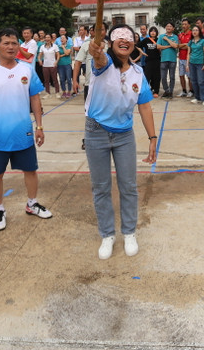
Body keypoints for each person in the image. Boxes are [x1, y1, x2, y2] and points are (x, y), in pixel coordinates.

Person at [83, 24, 158, 259]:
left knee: (129, 186)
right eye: (119, 38)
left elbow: (144, 106)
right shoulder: (103, 64)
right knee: (101, 187)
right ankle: (107, 234)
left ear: (134, 43)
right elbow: (98, 58)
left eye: (129, 37)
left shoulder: (137, 72)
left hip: (125, 135)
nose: (124, 41)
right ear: (112, 43)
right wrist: (96, 50)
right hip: (96, 132)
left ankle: (129, 232)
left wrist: (152, 138)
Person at [0, 28, 52, 231]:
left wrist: (39, 126)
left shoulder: (27, 70)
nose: (10, 46)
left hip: (23, 132)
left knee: (31, 170)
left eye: (14, 43)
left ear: (19, 46)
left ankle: (32, 204)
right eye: (6, 43)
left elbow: (35, 98)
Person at [187, 25, 204, 106]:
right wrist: (187, 64)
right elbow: (188, 54)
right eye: (193, 30)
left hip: (200, 64)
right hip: (192, 63)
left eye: (196, 30)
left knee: (201, 81)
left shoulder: (203, 41)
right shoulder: (190, 42)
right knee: (194, 81)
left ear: (199, 32)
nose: (194, 31)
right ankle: (197, 97)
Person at [156, 22, 179, 98]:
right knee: (163, 77)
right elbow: (158, 46)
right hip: (163, 59)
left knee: (172, 76)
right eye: (167, 26)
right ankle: (166, 90)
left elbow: (175, 46)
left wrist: (167, 39)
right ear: (165, 27)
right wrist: (170, 45)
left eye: (170, 26)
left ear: (173, 28)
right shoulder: (161, 36)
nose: (168, 27)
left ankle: (171, 91)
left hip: (172, 59)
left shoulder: (175, 37)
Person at [138, 27, 160, 98]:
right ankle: (146, 91)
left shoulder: (159, 40)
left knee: (156, 77)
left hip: (157, 61)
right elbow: (137, 46)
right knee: (147, 76)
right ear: (149, 32)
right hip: (148, 61)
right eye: (151, 31)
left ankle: (156, 91)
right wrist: (142, 53)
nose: (153, 32)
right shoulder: (146, 40)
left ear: (156, 33)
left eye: (154, 31)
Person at [176, 18, 192, 97]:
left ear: (189, 25)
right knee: (181, 75)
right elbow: (178, 46)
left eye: (185, 24)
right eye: (183, 24)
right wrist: (184, 45)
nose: (184, 26)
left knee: (189, 76)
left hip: (188, 58)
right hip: (181, 58)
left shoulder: (192, 34)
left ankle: (191, 91)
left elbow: (189, 46)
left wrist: (184, 46)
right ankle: (184, 90)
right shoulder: (180, 35)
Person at [57, 33, 74, 99]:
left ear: (66, 39)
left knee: (69, 79)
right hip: (60, 64)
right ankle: (64, 91)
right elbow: (57, 55)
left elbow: (67, 53)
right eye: (61, 38)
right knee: (61, 79)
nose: (62, 39)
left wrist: (63, 47)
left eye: (63, 38)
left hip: (67, 64)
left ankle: (69, 91)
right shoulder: (58, 46)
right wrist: (64, 54)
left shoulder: (69, 45)